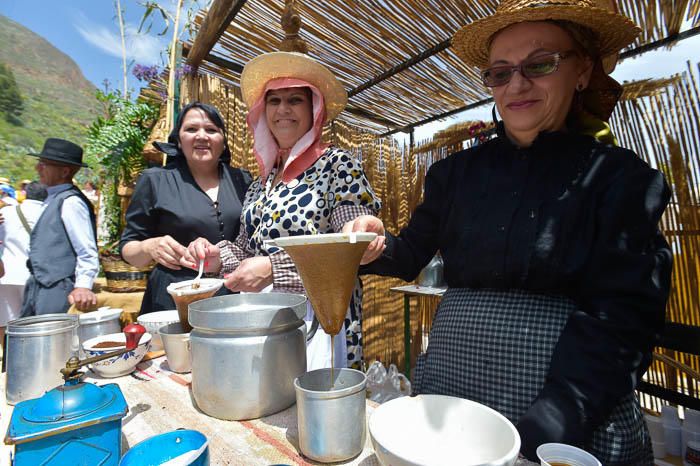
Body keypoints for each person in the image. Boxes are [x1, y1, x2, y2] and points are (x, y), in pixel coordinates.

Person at [347, 1, 673, 462]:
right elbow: (410, 252)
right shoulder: (454, 173)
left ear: (581, 71)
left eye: (540, 64)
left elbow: (621, 317)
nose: (517, 84)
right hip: (451, 396)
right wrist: (368, 244)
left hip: (568, 410)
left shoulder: (619, 181)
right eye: (500, 73)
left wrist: (549, 427)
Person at [182, 52, 383, 371]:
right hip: (269, 321)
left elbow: (349, 244)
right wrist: (216, 256)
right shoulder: (264, 180)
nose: (283, 110)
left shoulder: (337, 166)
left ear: (314, 109)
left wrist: (275, 268)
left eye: (295, 100)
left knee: (314, 412)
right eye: (274, 100)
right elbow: (248, 249)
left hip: (321, 322)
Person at [120, 102, 252, 314]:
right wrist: (149, 247)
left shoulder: (243, 180)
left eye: (211, 130)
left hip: (233, 292)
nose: (202, 136)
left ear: (223, 140)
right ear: (179, 140)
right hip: (174, 297)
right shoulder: (155, 181)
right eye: (191, 129)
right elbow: (127, 248)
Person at [22, 139, 99, 316]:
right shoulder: (53, 198)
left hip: (58, 287)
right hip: (42, 285)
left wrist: (82, 286)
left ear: (64, 171)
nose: (38, 169)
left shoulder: (71, 202)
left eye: (44, 165)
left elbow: (86, 250)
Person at [0, 182, 47, 340]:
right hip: (36, 276)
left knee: (6, 322)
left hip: (7, 274)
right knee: (34, 324)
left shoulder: (6, 212)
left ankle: (7, 360)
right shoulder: (47, 212)